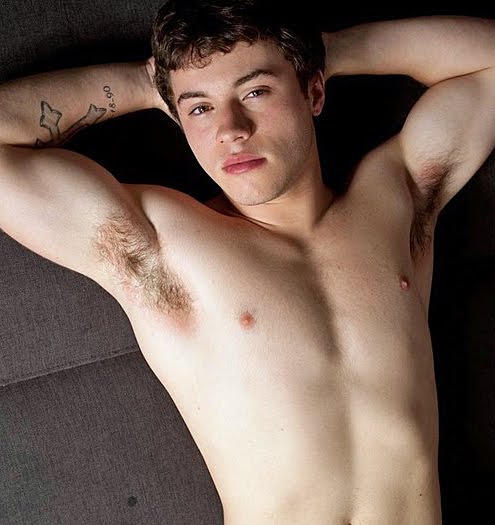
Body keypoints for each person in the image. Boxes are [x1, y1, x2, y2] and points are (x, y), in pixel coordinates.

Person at [0, 0, 494, 522]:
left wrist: (328, 52)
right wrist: (147, 84)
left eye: (256, 91)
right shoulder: (160, 246)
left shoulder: (395, 199)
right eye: (199, 109)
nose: (230, 129)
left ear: (314, 92)